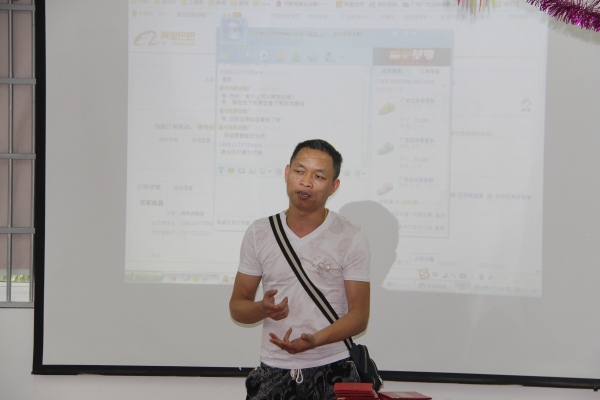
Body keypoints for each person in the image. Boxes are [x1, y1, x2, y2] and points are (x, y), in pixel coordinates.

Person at [229, 139, 371, 400]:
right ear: (287, 173)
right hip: (273, 370)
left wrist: (315, 340)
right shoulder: (260, 232)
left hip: (333, 368)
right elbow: (238, 306)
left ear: (334, 186)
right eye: (299, 171)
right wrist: (262, 308)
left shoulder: (350, 236)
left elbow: (359, 316)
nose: (306, 182)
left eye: (319, 176)